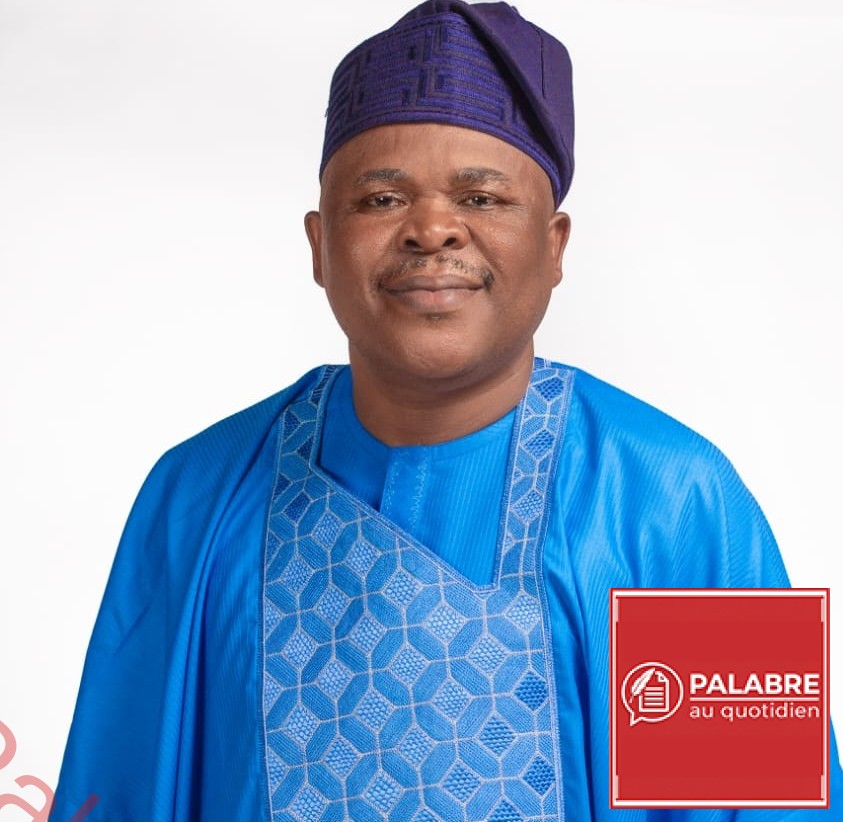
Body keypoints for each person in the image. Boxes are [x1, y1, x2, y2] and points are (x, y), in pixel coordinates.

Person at [51, 1, 840, 820]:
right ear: (319, 246)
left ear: (554, 246)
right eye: (380, 200)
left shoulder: (673, 501)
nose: (432, 230)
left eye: (482, 198)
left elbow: (766, 805)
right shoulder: (198, 493)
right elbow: (118, 791)